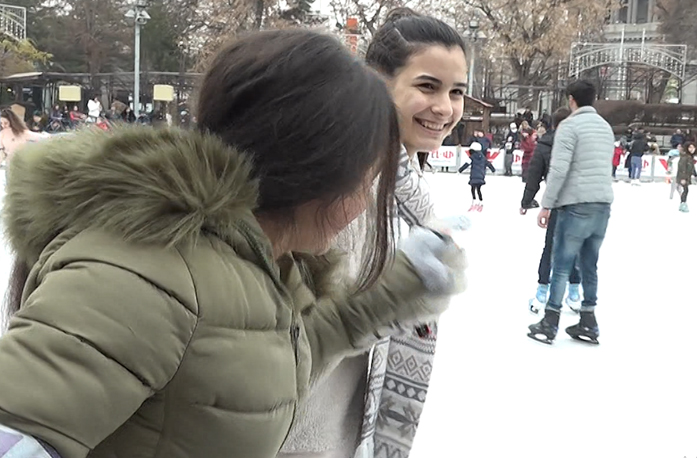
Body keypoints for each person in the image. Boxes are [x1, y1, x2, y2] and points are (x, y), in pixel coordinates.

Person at [0, 29, 467, 458]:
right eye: (363, 183)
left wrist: (398, 290)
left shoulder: (258, 260)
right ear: (314, 173)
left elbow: (266, 361)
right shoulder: (144, 274)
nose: (364, 203)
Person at [279, 9, 469, 458]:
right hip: (295, 433)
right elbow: (291, 327)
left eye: (457, 92)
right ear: (375, 81)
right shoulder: (345, 184)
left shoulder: (400, 179)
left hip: (341, 427)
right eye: (427, 86)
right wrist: (401, 286)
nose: (445, 107)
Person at [528, 79, 614, 345]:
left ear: (571, 100)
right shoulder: (605, 127)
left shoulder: (569, 126)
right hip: (602, 203)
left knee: (562, 262)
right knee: (589, 263)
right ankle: (588, 319)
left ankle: (550, 319)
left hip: (575, 203)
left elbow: (559, 169)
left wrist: (547, 204)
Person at [520, 107, 582, 314]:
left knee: (551, 247)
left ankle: (541, 293)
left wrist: (526, 201)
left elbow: (534, 174)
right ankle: (574, 293)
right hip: (580, 202)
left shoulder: (546, 144)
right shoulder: (579, 142)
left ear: (552, 124)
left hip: (557, 202)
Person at [459, 142, 495, 212]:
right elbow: (489, 164)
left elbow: (466, 164)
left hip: (474, 176)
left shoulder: (472, 157)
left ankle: (474, 201)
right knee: (478, 189)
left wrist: (460, 170)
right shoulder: (483, 158)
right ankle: (481, 202)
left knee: (473, 189)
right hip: (481, 176)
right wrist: (493, 170)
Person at [677, 142, 697, 212]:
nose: (692, 149)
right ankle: (683, 204)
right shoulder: (685, 156)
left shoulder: (690, 157)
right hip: (683, 176)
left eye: (693, 147)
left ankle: (683, 203)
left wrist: (695, 174)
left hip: (686, 176)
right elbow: (682, 167)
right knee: (685, 190)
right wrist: (683, 178)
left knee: (685, 190)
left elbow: (691, 167)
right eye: (690, 147)